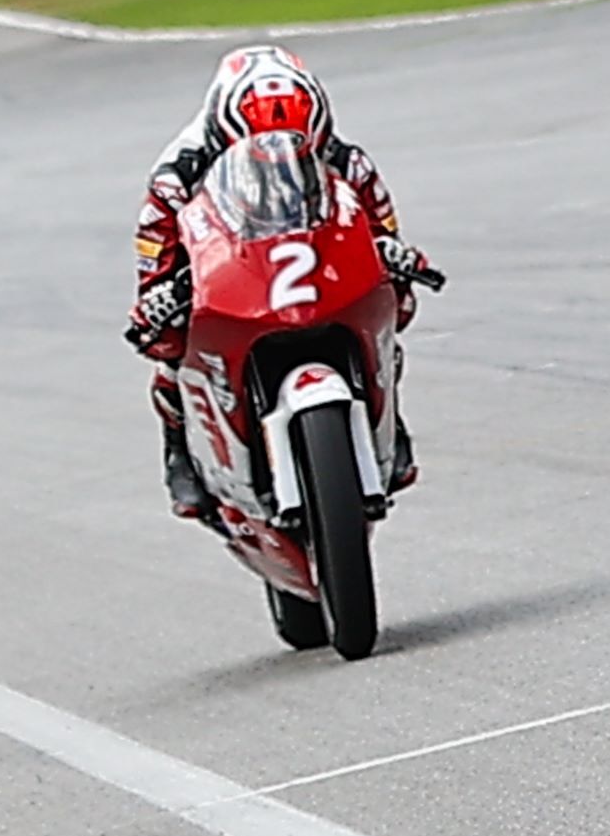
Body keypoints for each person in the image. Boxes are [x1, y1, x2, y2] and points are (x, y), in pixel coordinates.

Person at [128, 46, 439, 519]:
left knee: (388, 312)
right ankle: (179, 451)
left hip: (310, 255)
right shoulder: (176, 175)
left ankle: (388, 418)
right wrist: (158, 295)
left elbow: (381, 228)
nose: (278, 156)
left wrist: (395, 255)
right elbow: (154, 258)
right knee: (168, 344)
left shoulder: (348, 161)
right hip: (228, 260)